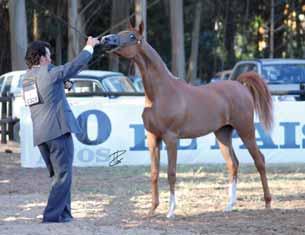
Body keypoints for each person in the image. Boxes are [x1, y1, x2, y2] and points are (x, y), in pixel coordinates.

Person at [23, 36, 100, 223]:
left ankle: (64, 214)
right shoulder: (49, 72)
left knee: (58, 176)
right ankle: (51, 216)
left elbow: (44, 97)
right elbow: (74, 66)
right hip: (57, 131)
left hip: (41, 135)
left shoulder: (26, 78)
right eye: (48, 56)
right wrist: (89, 47)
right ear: (41, 58)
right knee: (63, 176)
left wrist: (62, 84)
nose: (51, 59)